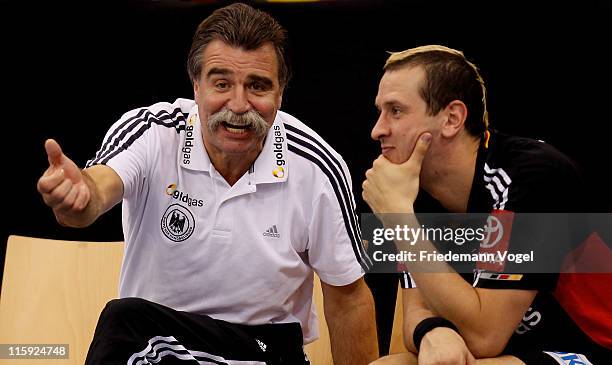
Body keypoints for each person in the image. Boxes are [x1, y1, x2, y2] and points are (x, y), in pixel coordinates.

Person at [36, 3, 378, 364]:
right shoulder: (153, 132)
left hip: (262, 349)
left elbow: (349, 298)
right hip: (159, 343)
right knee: (125, 318)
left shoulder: (316, 166)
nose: (239, 104)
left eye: (258, 86)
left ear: (280, 94)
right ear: (196, 87)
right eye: (221, 83)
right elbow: (96, 191)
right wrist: (79, 197)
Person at [362, 45, 611, 364]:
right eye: (380, 111)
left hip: (592, 347)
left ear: (452, 119)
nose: (377, 129)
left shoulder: (532, 177)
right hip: (519, 349)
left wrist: (398, 218)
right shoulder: (416, 186)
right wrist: (434, 332)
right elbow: (415, 311)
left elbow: (484, 337)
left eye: (396, 111)